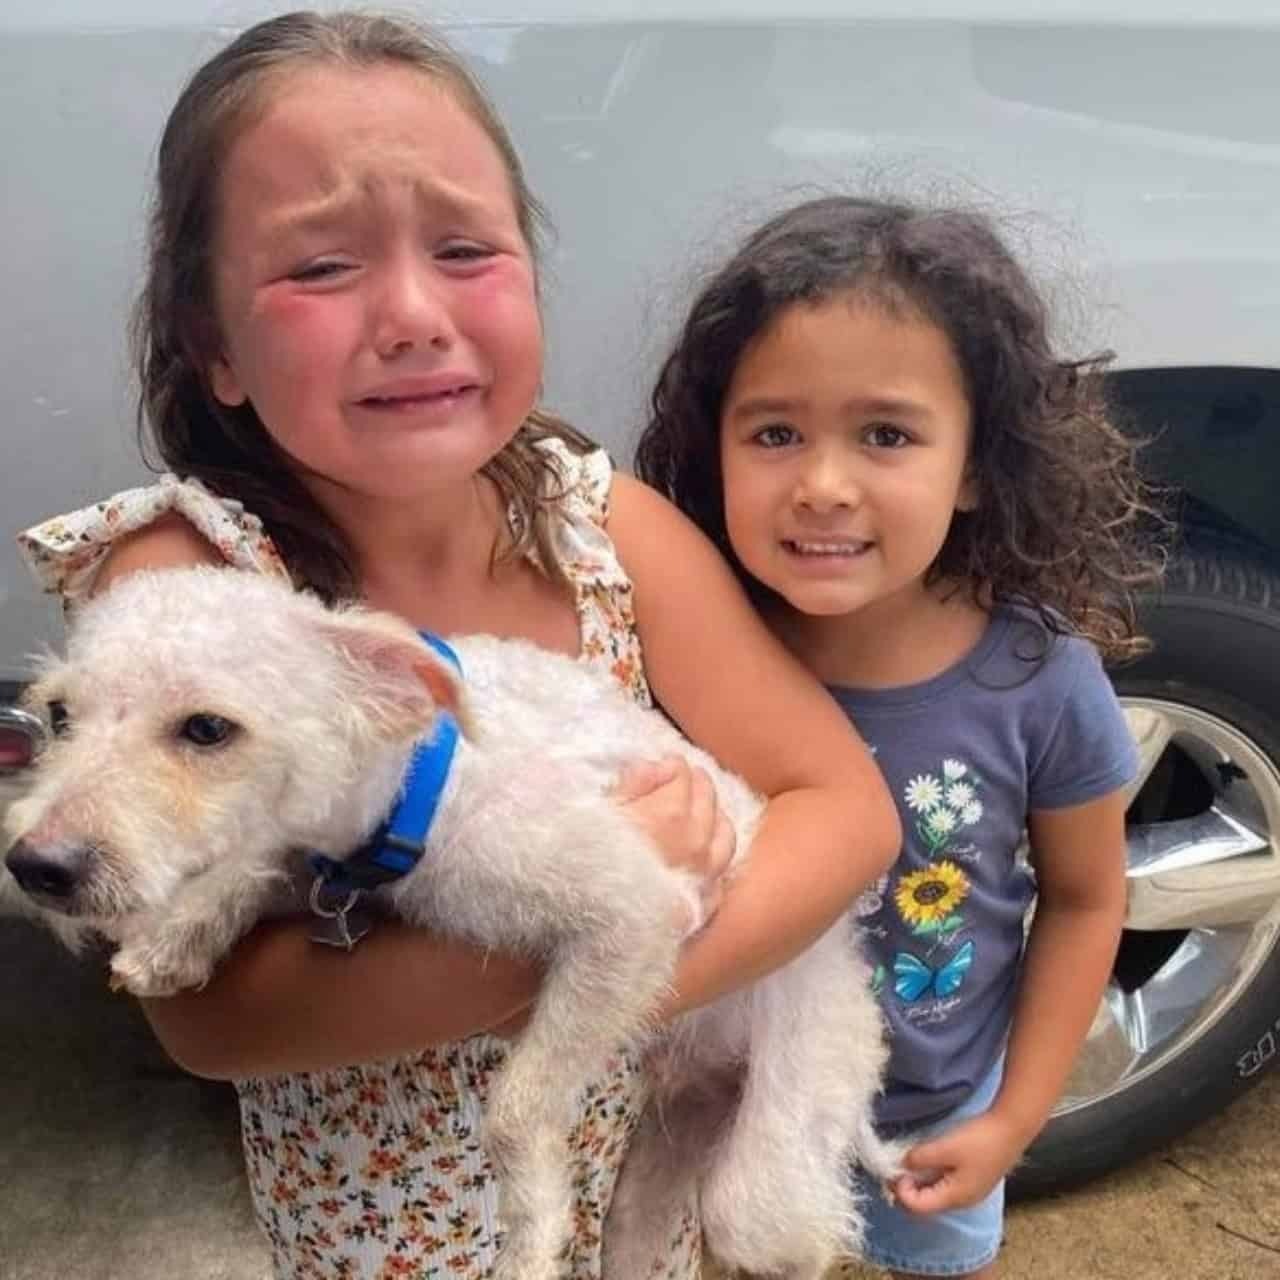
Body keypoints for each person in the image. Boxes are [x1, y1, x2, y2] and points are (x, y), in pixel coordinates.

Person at [15, 19, 900, 1280]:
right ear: (211, 345)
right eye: (321, 265)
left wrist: (622, 931)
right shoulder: (201, 591)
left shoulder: (603, 527)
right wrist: (585, 925)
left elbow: (847, 811)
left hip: (614, 1187)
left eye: (466, 249)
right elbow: (207, 1019)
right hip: (387, 1232)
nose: (413, 314)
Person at [635, 195, 1165, 1279]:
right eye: (774, 432)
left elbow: (1084, 895)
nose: (823, 485)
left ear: (975, 465)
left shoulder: (1039, 678)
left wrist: (1015, 1114)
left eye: (885, 433)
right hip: (723, 1108)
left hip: (935, 1112)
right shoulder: (689, 653)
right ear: (713, 446)